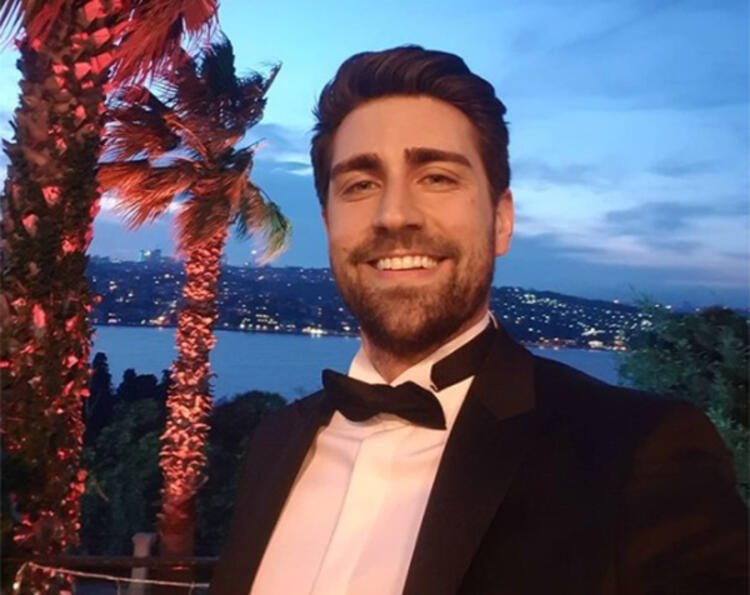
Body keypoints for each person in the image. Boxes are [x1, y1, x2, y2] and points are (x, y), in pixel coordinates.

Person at [210, 46, 748, 595]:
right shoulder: (276, 441)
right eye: (360, 185)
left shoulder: (637, 451)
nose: (394, 214)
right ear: (329, 224)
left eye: (438, 177)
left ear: (501, 220)